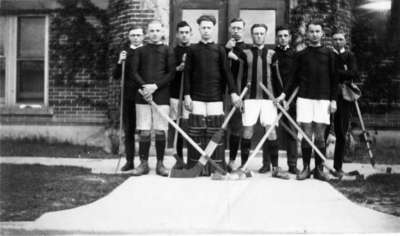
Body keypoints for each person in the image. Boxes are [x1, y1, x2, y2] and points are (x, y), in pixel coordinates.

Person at [276, 21, 338, 181]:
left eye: (317, 31)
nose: (314, 34)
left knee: (319, 135)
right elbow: (292, 79)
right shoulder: (300, 55)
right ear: (307, 34)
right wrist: (284, 95)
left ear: (322, 34)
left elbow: (335, 79)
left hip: (323, 99)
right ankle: (305, 168)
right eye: (311, 31)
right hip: (304, 99)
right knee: (306, 134)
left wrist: (333, 100)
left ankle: (318, 169)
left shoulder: (330, 54)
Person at [184, 15, 241, 175]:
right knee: (197, 131)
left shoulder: (220, 49)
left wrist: (234, 93)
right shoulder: (192, 50)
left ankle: (215, 167)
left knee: (215, 131)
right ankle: (197, 168)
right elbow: (187, 74)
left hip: (215, 96)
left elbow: (227, 73)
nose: (206, 30)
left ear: (213, 29)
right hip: (196, 97)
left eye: (209, 27)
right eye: (203, 27)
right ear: (199, 29)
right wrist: (187, 95)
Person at [240, 23, 288, 179]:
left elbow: (276, 76)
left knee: (271, 131)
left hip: (269, 98)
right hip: (249, 98)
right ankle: (244, 167)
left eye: (261, 33)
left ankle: (275, 168)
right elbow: (239, 76)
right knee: (247, 130)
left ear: (265, 35)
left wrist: (281, 95)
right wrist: (239, 97)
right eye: (256, 33)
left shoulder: (272, 53)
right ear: (252, 35)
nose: (259, 36)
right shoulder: (245, 53)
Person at [131, 20, 175, 177]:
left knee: (160, 131)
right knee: (144, 131)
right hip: (142, 95)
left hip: (161, 95)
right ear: (147, 33)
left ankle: (160, 164)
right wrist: (145, 88)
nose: (155, 33)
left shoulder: (168, 50)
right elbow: (134, 72)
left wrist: (155, 87)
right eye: (152, 31)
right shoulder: (140, 51)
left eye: (157, 30)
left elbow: (171, 73)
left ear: (162, 32)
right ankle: (143, 164)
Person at [113, 26, 144, 171]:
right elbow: (116, 75)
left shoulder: (147, 52)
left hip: (144, 95)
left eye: (138, 35)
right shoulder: (124, 52)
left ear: (143, 36)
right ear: (129, 36)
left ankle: (144, 162)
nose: (136, 38)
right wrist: (120, 61)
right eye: (133, 35)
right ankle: (129, 160)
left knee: (145, 130)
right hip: (128, 96)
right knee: (129, 129)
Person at [330, 30, 359, 174]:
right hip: (329, 95)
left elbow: (354, 73)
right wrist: (343, 72)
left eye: (340, 39)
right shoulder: (329, 55)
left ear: (345, 41)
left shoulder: (349, 55)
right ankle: (319, 165)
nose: (337, 42)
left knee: (341, 131)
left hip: (344, 97)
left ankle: (338, 166)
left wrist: (336, 72)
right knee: (323, 131)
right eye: (334, 39)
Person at [271, 25, 299, 174]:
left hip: (290, 100)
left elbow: (296, 79)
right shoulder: (271, 54)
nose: (282, 38)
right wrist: (276, 97)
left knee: (291, 132)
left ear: (290, 37)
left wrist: (287, 98)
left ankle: (292, 164)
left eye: (285, 36)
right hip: (273, 98)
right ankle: (269, 164)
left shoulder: (295, 55)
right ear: (276, 37)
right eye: (280, 36)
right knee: (269, 130)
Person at [224, 18, 248, 171]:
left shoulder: (247, 49)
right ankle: (219, 158)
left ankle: (232, 160)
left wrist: (237, 59)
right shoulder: (223, 47)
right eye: (233, 28)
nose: (236, 31)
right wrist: (226, 51)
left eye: (239, 28)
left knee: (236, 127)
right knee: (221, 125)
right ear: (229, 29)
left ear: (243, 29)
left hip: (240, 91)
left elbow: (249, 68)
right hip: (223, 92)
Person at [170, 21, 192, 169]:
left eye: (186, 32)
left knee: (190, 126)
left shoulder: (195, 50)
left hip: (190, 94)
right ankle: (179, 159)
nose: (184, 35)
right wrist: (178, 68)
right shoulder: (172, 51)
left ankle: (192, 158)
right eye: (181, 32)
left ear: (191, 34)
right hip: (175, 93)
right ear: (177, 34)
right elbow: (167, 72)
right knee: (177, 126)